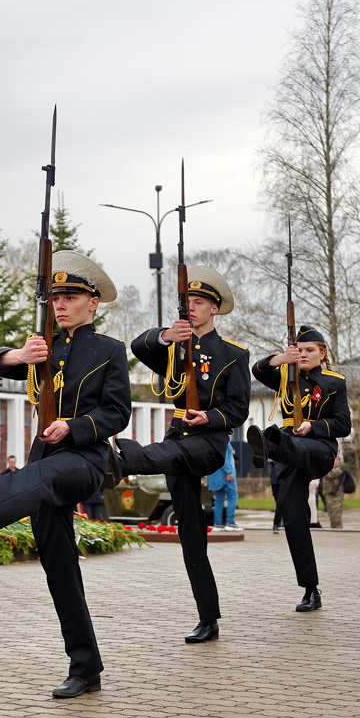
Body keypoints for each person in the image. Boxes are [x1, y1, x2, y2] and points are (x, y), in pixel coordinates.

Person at [0, 251, 131, 698]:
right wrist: (18, 354)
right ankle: (85, 667)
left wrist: (75, 426)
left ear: (93, 303)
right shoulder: (45, 346)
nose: (61, 305)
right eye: (56, 297)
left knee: (45, 478)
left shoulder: (110, 351)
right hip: (45, 458)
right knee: (60, 569)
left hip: (85, 458)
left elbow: (118, 412)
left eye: (71, 297)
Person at [111, 265, 250, 643]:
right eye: (188, 300)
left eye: (200, 301)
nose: (192, 306)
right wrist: (165, 335)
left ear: (214, 309)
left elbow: (238, 409)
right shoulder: (175, 347)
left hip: (208, 440)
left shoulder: (234, 354)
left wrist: (209, 416)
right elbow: (139, 348)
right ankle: (208, 618)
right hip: (176, 438)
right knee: (190, 534)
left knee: (165, 453)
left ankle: (121, 459)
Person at [247, 324, 351, 613]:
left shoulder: (334, 382)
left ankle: (269, 445)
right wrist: (281, 358)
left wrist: (313, 425)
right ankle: (310, 590)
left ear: (322, 353)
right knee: (293, 520)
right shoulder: (285, 375)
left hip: (319, 449)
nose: (303, 354)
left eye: (309, 350)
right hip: (290, 453)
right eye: (299, 350)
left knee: (287, 439)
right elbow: (257, 370)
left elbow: (344, 425)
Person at [208, 444, 241, 531]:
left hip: (215, 476)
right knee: (233, 496)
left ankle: (218, 523)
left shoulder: (213, 443)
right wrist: (229, 472)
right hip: (225, 476)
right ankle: (230, 522)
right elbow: (224, 459)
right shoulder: (225, 442)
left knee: (219, 500)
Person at [320, 457, 346, 529]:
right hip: (329, 492)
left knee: (336, 512)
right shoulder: (334, 469)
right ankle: (334, 526)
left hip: (336, 494)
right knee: (331, 511)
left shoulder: (339, 469)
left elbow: (329, 475)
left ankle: (337, 527)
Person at [270, 458, 285, 533]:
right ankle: (280, 520)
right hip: (275, 479)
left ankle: (276, 523)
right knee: (279, 502)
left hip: (283, 479)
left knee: (280, 502)